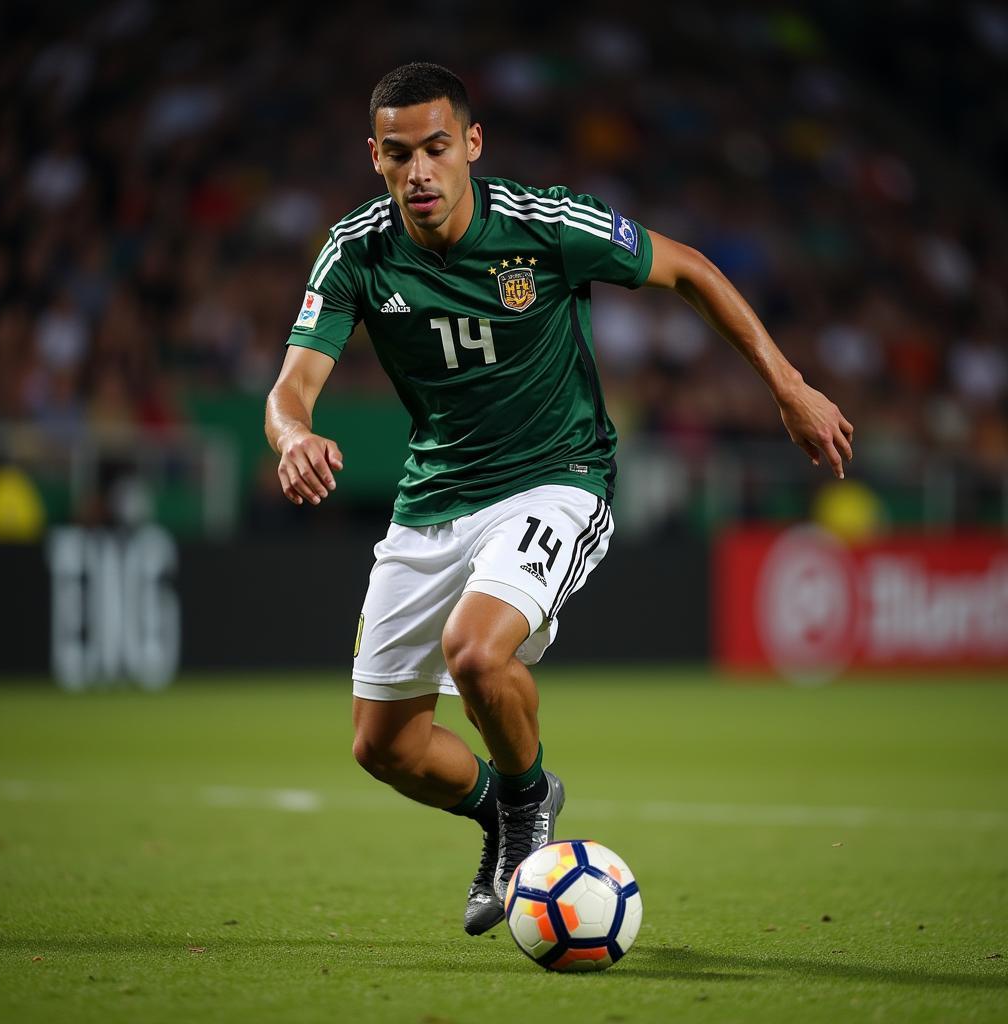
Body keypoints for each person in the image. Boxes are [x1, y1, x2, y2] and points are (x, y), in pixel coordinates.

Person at [265, 62, 853, 936]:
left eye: (435, 148)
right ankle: (502, 813)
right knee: (381, 747)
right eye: (398, 155)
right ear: (374, 158)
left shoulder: (544, 223)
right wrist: (294, 437)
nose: (419, 172)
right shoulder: (356, 249)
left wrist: (789, 386)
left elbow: (687, 268)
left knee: (475, 652)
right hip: (432, 500)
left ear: (471, 144)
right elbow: (290, 388)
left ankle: (526, 802)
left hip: (555, 478)